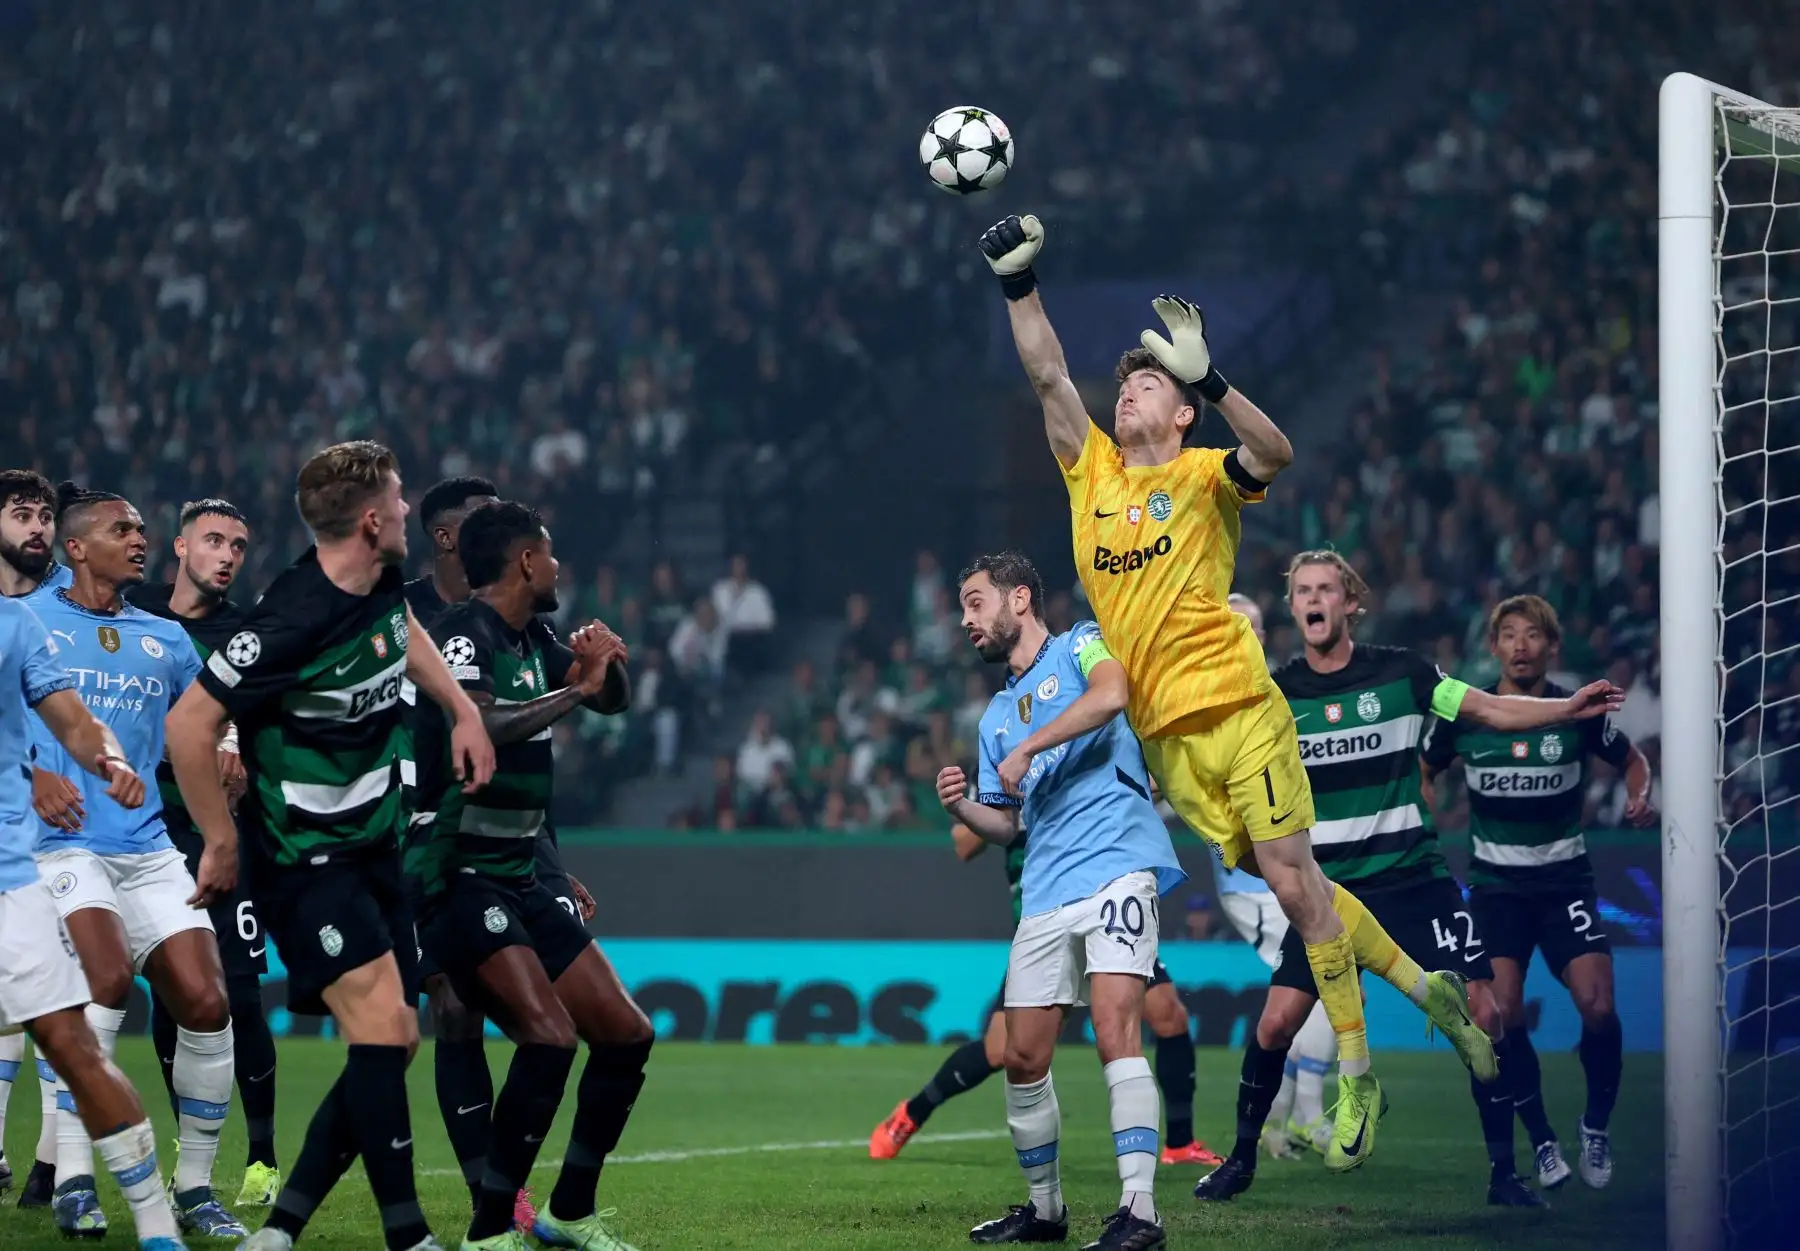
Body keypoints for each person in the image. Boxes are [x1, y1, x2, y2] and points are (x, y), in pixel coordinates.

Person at [980, 212, 1502, 1171]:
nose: (1131, 386)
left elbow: (1278, 451)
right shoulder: (1089, 472)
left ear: (1179, 413)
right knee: (1295, 887)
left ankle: (1355, 1069)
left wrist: (1212, 379)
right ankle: (1424, 987)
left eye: (1150, 382)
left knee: (1298, 882)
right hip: (1168, 742)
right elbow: (1049, 372)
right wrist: (1021, 283)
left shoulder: (1203, 472)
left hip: (1240, 707)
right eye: (1130, 378)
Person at [1194, 552, 1623, 1209]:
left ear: (1350, 603)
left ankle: (1503, 1175)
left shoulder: (1406, 673)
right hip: (1326, 892)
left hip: (1414, 879)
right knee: (1276, 1023)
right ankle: (1241, 1159)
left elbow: (1485, 709)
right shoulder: (1274, 693)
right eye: (1301, 590)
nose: (1312, 599)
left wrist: (1567, 708)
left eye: (1325, 589)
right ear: (1294, 606)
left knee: (1485, 1014)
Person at [165, 440, 498, 1251]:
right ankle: (408, 1235)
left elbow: (404, 627)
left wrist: (462, 708)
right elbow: (189, 723)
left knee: (396, 1039)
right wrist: (218, 841)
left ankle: (279, 1230)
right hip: (306, 859)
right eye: (398, 495)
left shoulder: (379, 578)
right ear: (373, 518)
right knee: (383, 1032)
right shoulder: (290, 617)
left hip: (377, 848)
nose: (411, 509)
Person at [414, 500, 650, 1251]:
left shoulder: (533, 636)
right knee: (547, 1039)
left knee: (625, 1034)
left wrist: (606, 668)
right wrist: (577, 691)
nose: (556, 567)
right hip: (459, 872)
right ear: (523, 561)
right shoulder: (462, 634)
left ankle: (572, 1208)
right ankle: (490, 1231)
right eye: (547, 554)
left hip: (521, 870)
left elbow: (608, 702)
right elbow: (476, 724)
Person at [937, 551, 1185, 1251]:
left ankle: (1140, 1211)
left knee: (1115, 1029)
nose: (967, 620)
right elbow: (1007, 822)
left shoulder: (1081, 643)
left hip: (1116, 867)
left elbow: (1113, 693)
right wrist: (964, 809)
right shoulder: (992, 719)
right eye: (963, 608)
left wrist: (1031, 749)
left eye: (975, 601)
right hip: (1044, 888)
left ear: (1020, 598)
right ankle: (1046, 1211)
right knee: (1021, 1054)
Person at [26, 484, 247, 1239]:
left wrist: (226, 752)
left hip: (148, 845)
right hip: (60, 842)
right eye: (122, 528)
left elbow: (209, 717)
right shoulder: (27, 621)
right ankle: (76, 1176)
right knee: (107, 976)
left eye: (143, 529)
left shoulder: (167, 637)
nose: (139, 538)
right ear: (75, 547)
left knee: (207, 1003)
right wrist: (32, 769)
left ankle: (194, 1186)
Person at [401, 477, 594, 1229]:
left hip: (513, 841)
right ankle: (494, 1198)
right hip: (429, 830)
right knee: (452, 1007)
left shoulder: (520, 630)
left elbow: (529, 736)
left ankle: (507, 1195)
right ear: (451, 537)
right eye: (488, 523)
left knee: (558, 1022)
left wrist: (549, 857)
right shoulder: (409, 612)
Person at [1422, 594, 1656, 1193]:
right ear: (1493, 646)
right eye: (1509, 635)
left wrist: (1639, 794)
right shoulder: (1467, 717)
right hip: (1497, 887)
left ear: (1551, 647)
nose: (1520, 646)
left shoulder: (1574, 712)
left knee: (1599, 1007)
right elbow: (1426, 769)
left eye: (1533, 635)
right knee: (1499, 1015)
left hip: (1564, 882)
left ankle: (1595, 1125)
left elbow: (1632, 760)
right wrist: (1426, 813)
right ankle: (1544, 1139)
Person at [1, 590, 191, 1251]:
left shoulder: (15, 622)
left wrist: (106, 761)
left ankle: (154, 1225)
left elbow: (74, 722)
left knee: (76, 1044)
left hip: (11, 875)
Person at [869, 823, 1221, 1169]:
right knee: (1000, 1049)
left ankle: (1180, 1142)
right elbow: (963, 843)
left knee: (1169, 1015)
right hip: (1046, 921)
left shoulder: (1079, 766)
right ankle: (912, 1113)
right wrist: (1011, 808)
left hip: (1103, 905)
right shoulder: (1000, 771)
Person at [129, 498, 283, 1209]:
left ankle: (262, 1153)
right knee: (173, 992)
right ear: (180, 546)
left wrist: (245, 753)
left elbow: (268, 721)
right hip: (144, 828)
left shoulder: (247, 634)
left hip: (222, 834)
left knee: (241, 995)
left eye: (239, 545)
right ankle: (188, 1143)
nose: (227, 554)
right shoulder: (133, 613)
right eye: (215, 540)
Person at [1223, 592, 1337, 1158]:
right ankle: (1304, 1117)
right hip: (1255, 881)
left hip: (1300, 863)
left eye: (1256, 626)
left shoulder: (1280, 692)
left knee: (1318, 986)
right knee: (1320, 976)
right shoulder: (1214, 696)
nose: (1248, 634)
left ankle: (1282, 1123)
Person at [0, 467, 71, 1206]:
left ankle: (52, 1170)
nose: (38, 528)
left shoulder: (71, 600)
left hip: (68, 830)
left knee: (55, 997)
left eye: (45, 515)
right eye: (22, 513)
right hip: (11, 822)